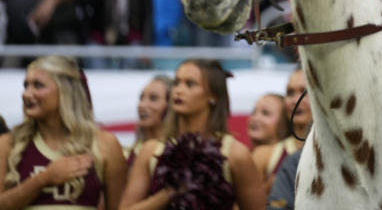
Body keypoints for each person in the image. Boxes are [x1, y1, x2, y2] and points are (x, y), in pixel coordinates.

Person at [119, 59, 264, 210]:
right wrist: (169, 193)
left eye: (190, 84)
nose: (178, 90)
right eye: (177, 83)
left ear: (213, 96)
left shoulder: (236, 155)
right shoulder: (151, 151)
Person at [0, 55, 127, 209]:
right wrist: (43, 179)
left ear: (66, 91)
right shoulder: (8, 143)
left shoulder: (106, 144)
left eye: (38, 85)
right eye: (26, 85)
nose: (26, 94)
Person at [253, 67, 311, 195]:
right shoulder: (264, 155)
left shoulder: (340, 153)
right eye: (290, 93)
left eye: (304, 93)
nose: (295, 100)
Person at [126, 76, 173, 166]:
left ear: (170, 106)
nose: (142, 105)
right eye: (141, 98)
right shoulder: (125, 154)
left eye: (153, 98)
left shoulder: (179, 152)